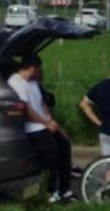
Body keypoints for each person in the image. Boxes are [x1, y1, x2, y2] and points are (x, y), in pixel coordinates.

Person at [7, 54, 74, 203]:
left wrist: (51, 121)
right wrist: (46, 122)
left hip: (43, 124)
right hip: (32, 127)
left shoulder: (33, 82)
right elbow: (27, 110)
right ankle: (50, 190)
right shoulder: (16, 82)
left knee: (64, 144)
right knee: (51, 151)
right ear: (33, 68)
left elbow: (42, 103)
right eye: (39, 69)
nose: (40, 72)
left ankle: (65, 188)